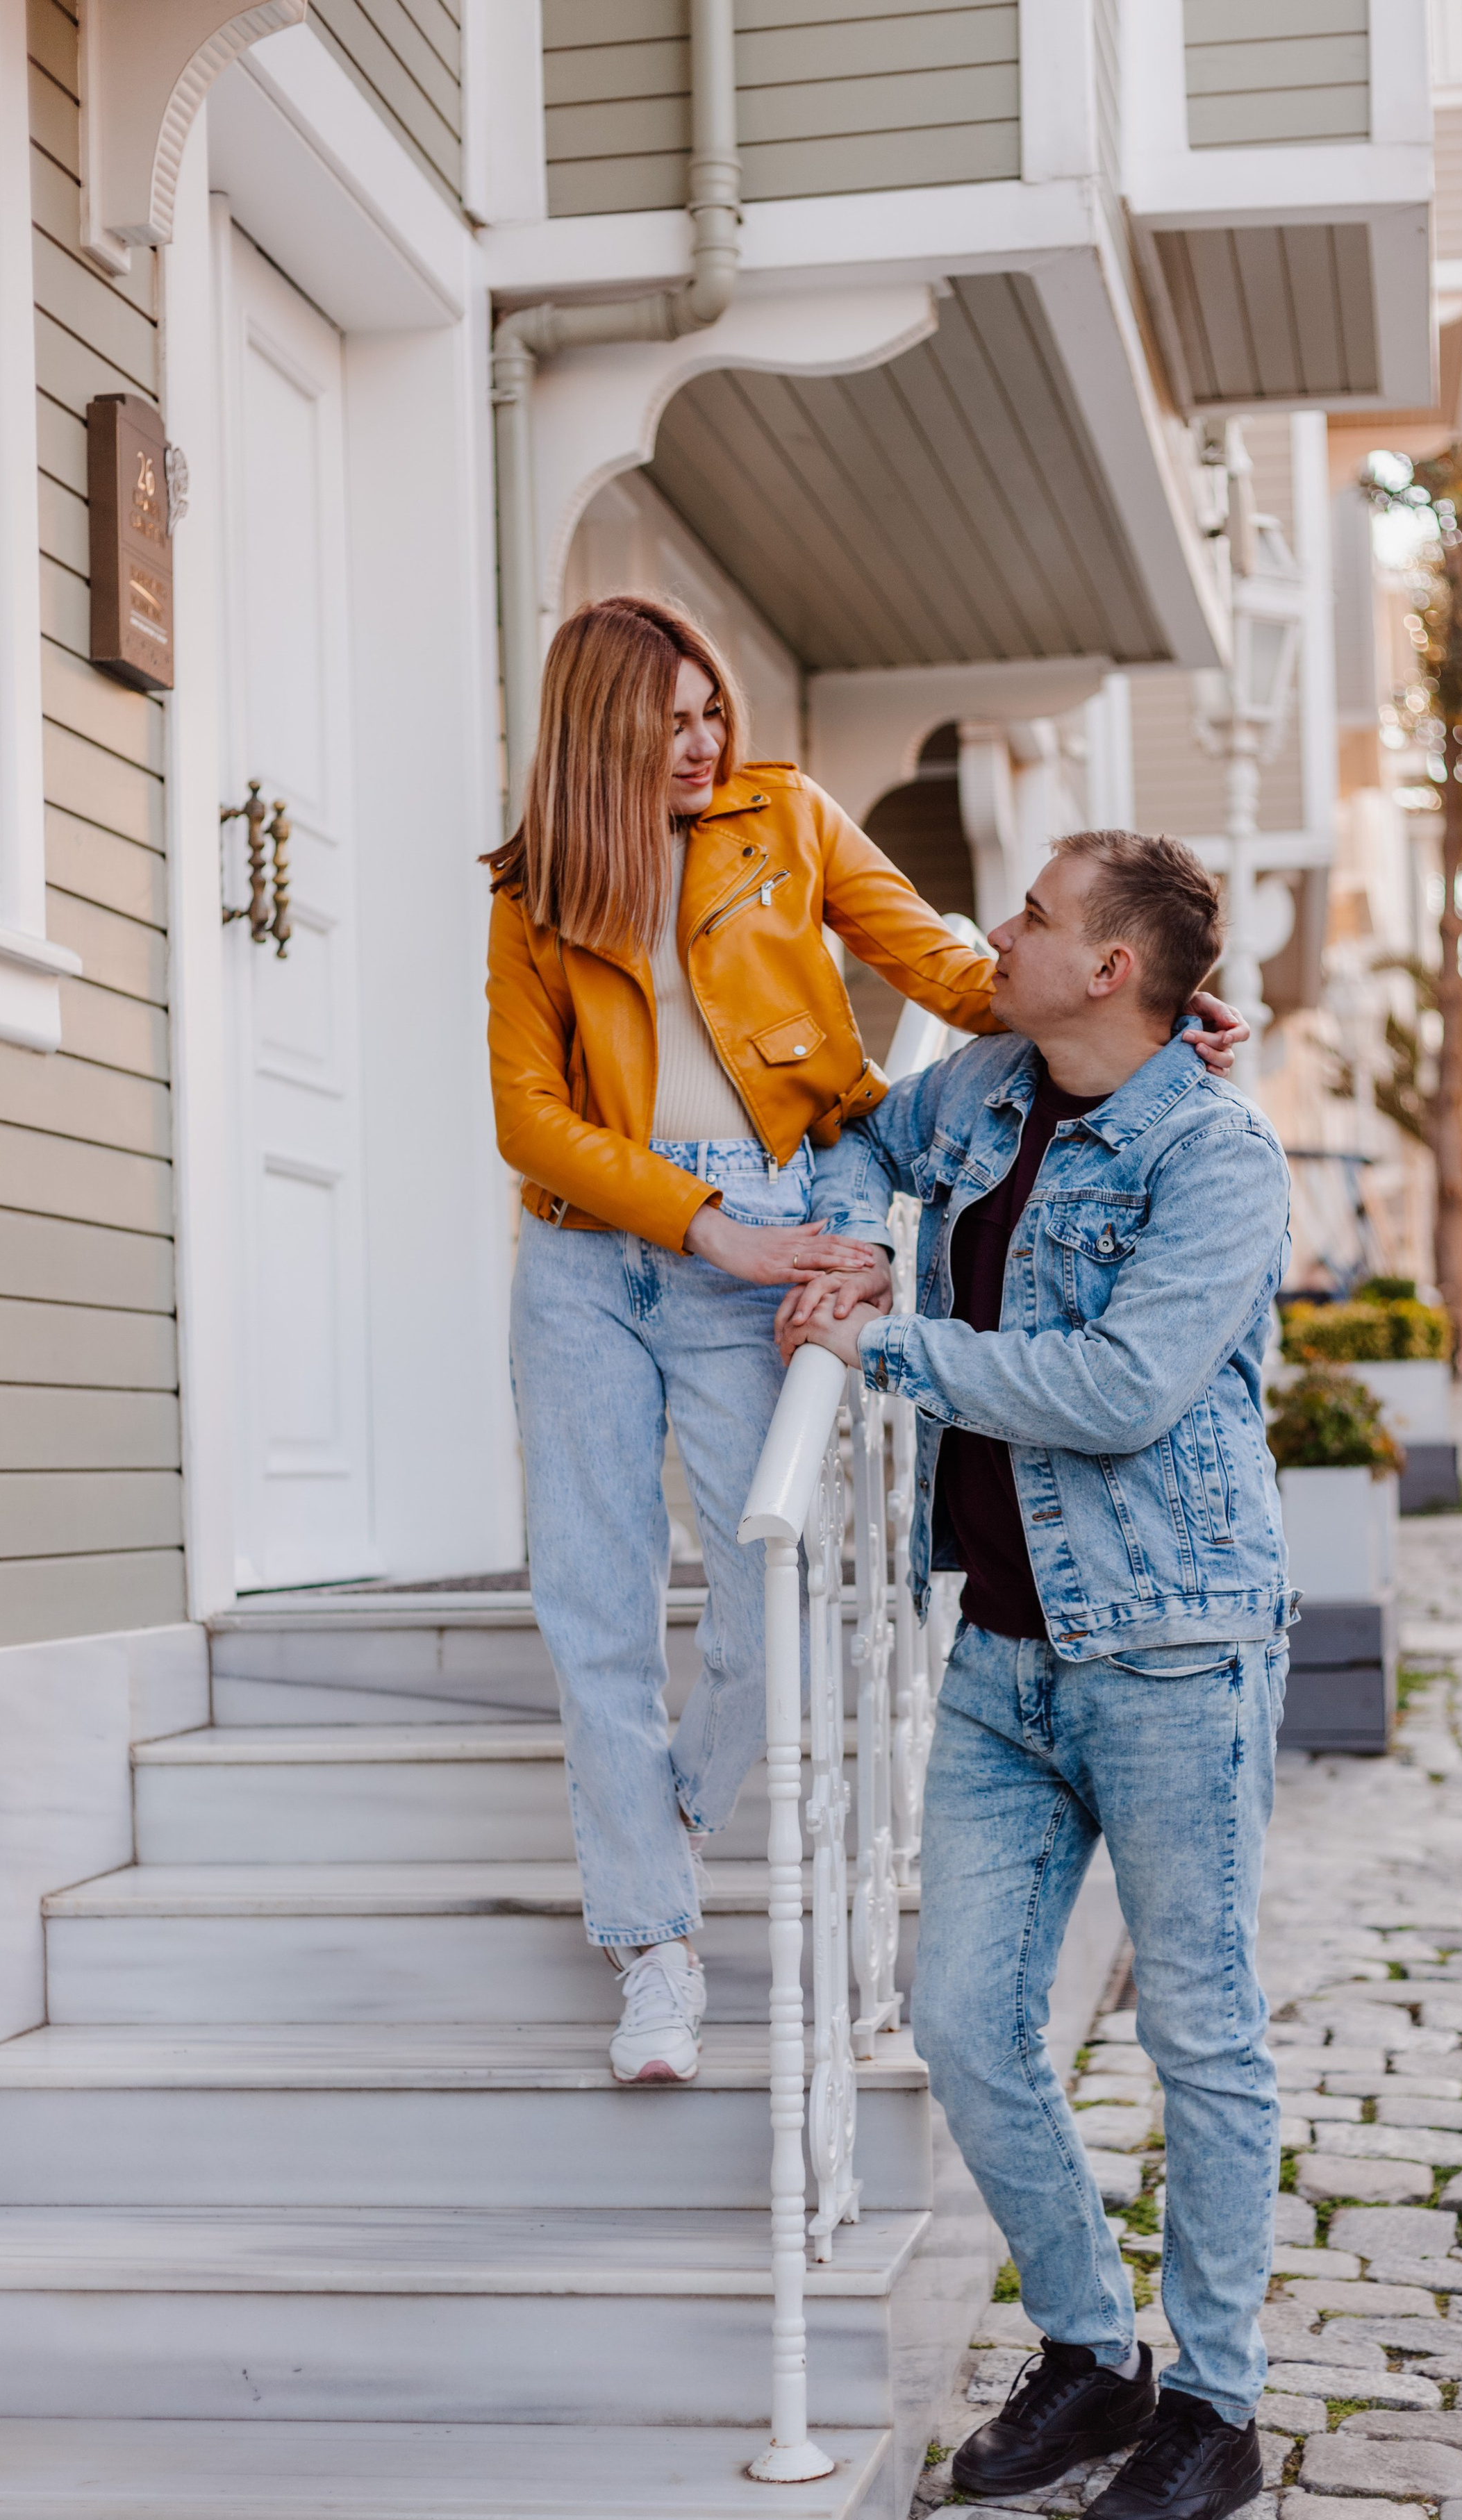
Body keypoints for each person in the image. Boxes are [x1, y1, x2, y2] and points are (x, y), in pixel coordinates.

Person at [485, 596, 1245, 2089]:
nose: (703, 745)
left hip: (767, 1217)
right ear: (599, 732)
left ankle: (675, 1799)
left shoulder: (792, 820)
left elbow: (954, 973)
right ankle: (654, 1945)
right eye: (669, 723)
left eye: (713, 713)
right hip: (591, 1257)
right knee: (591, 1599)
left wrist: (1152, 1006)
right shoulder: (535, 886)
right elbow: (532, 1118)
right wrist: (709, 1230)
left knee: (776, 1586)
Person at [779, 828, 1291, 2520]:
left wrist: (883, 1342)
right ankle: (1091, 2350)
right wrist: (853, 1247)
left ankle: (1214, 2406)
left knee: (1198, 2033)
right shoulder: (989, 1084)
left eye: (1030, 916)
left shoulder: (1215, 1151)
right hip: (1000, 1652)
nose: (988, 935)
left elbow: (1125, 1383)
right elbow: (860, 1135)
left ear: (1113, 972)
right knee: (960, 2023)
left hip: (1170, 1645)